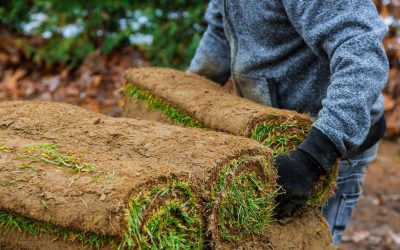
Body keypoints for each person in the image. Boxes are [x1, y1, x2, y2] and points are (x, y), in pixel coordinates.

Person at [188, 0, 388, 245]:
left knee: (308, 242)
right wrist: (190, 93)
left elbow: (362, 53)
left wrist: (313, 157)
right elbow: (221, 30)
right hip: (274, 135)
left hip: (328, 145)